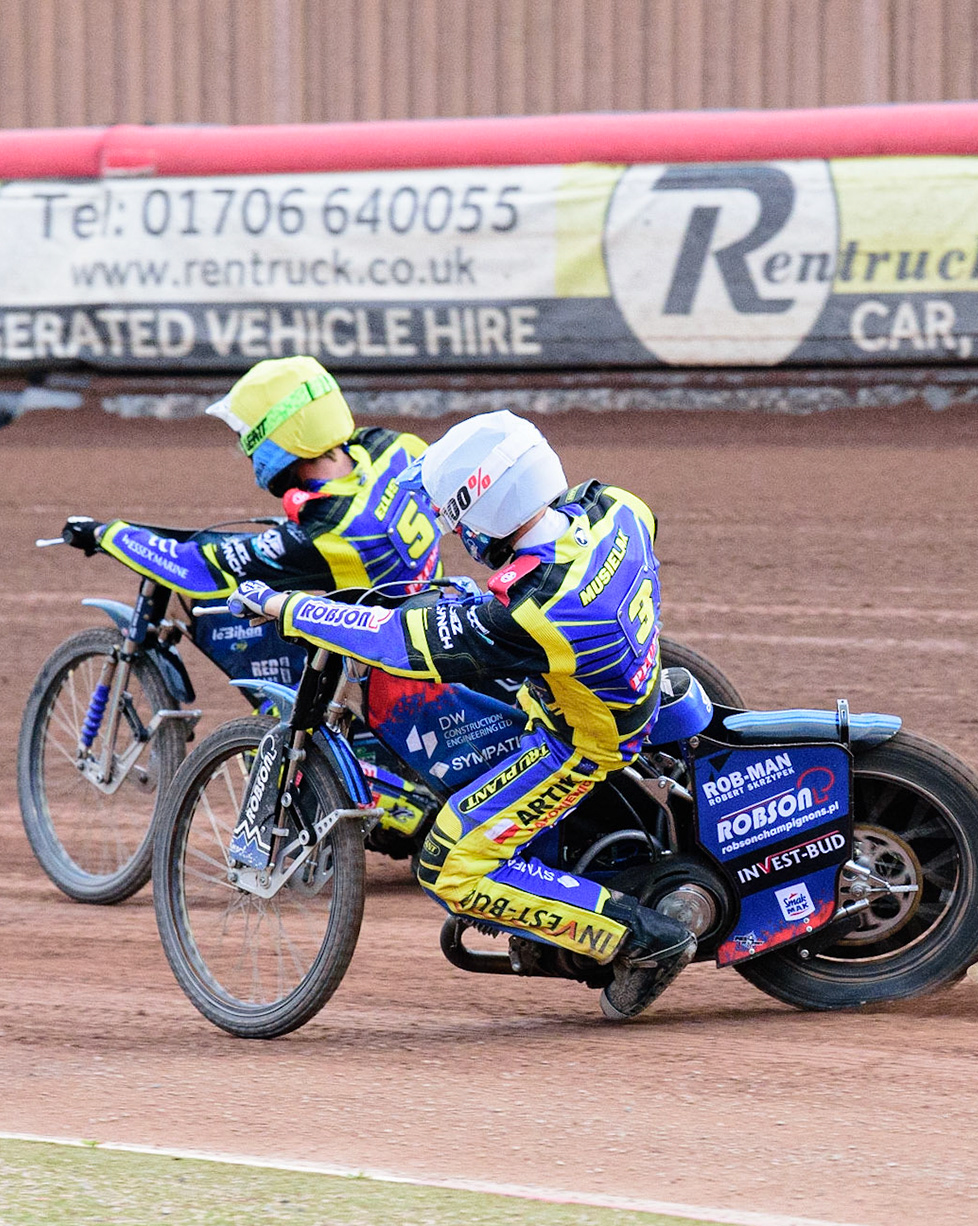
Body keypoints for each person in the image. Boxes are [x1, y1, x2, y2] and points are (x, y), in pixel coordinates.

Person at [227, 410, 696, 1021]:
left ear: (485, 511)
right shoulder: (616, 508)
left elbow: (397, 641)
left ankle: (642, 941)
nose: (454, 532)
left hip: (583, 743)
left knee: (448, 865)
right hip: (620, 680)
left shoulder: (538, 610)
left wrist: (285, 606)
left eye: (455, 518)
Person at [59, 355, 443, 601]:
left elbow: (196, 568)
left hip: (374, 669)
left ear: (277, 433)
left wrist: (108, 535)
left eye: (248, 435)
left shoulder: (327, 531)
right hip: (425, 608)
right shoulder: (396, 446)